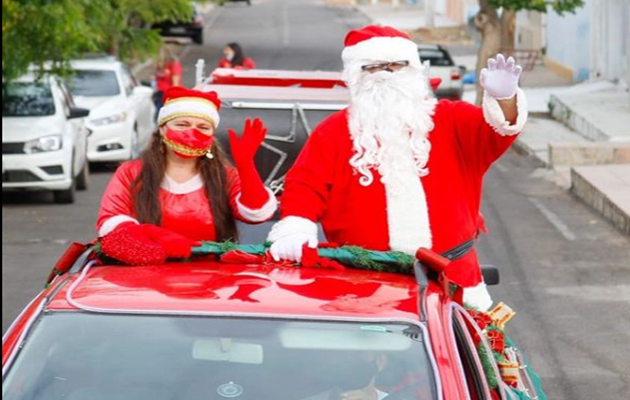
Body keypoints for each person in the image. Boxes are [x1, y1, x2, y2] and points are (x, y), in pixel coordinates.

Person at [267, 25, 528, 310]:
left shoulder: (452, 120)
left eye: (396, 65)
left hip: (454, 283)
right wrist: (296, 226)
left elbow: (497, 131)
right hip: (364, 285)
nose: (384, 73)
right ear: (355, 77)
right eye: (372, 67)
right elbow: (305, 186)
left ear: (414, 71)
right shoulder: (333, 133)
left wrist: (505, 100)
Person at [97, 87, 277, 265]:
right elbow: (111, 222)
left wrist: (246, 165)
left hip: (212, 280)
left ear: (212, 135)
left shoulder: (225, 175)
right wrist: (153, 235)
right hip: (144, 278)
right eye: (182, 125)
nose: (192, 132)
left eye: (203, 127)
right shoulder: (132, 172)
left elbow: (256, 214)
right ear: (162, 129)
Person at [154, 45, 183, 111]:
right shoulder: (161, 65)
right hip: (160, 93)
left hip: (168, 94)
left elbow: (175, 84)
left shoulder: (174, 64)